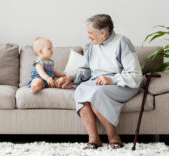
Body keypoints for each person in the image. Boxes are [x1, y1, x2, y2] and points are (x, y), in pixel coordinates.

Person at [55, 14, 142, 150]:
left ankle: (114, 137)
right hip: (98, 82)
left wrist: (111, 79)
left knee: (95, 92)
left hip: (121, 83)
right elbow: (85, 70)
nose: (88, 36)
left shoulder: (123, 43)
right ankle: (94, 139)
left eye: (90, 33)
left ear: (102, 33)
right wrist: (70, 77)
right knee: (82, 89)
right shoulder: (92, 45)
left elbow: (135, 75)